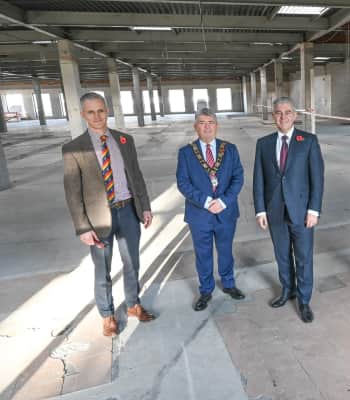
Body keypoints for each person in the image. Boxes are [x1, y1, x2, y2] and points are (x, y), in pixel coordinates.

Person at [62, 92, 155, 337]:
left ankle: (133, 304)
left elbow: (136, 176)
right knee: (102, 268)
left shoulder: (125, 140)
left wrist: (145, 206)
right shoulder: (73, 149)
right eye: (91, 112)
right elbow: (73, 193)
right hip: (97, 220)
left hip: (128, 211)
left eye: (101, 110)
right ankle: (107, 315)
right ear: (83, 114)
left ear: (107, 110)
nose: (97, 116)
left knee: (132, 262)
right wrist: (83, 227)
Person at [252, 97, 324, 323]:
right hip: (275, 211)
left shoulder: (308, 141)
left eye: (288, 112)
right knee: (282, 255)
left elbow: (317, 179)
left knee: (303, 257)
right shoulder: (263, 144)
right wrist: (260, 210)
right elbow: (258, 179)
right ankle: (287, 290)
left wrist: (314, 210)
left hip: (302, 212)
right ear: (273, 115)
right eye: (278, 112)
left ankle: (304, 300)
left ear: (295, 115)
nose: (283, 117)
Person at [176, 108, 245, 311]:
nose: (207, 127)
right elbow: (183, 183)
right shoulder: (186, 153)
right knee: (203, 254)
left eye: (210, 122)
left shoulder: (230, 149)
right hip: (200, 214)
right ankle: (206, 290)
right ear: (195, 126)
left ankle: (229, 284)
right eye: (202, 123)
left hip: (226, 211)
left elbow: (238, 178)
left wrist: (223, 201)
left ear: (217, 126)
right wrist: (206, 202)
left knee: (226, 251)